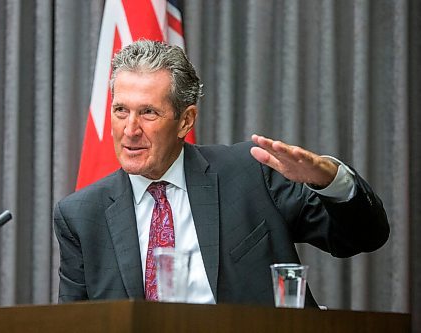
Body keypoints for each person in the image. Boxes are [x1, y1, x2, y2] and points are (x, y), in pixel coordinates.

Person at [53, 40, 389, 307]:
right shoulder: (81, 215)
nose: (130, 130)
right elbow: (75, 322)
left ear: (186, 120)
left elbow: (363, 237)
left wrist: (330, 181)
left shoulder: (250, 172)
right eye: (120, 110)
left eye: (149, 113)